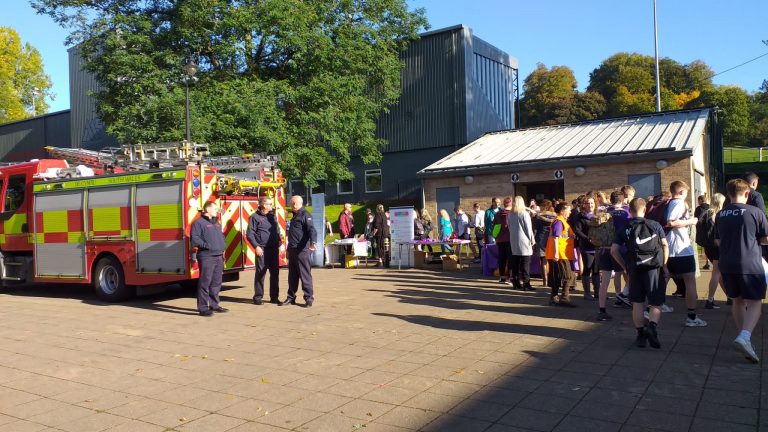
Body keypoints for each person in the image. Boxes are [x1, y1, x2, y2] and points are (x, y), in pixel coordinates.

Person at [716, 179, 768, 363]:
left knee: (737, 301)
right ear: (747, 194)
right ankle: (745, 337)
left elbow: (717, 240)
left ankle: (743, 336)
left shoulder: (720, 214)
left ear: (728, 195)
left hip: (727, 263)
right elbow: (765, 239)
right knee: (754, 302)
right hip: (750, 263)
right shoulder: (756, 212)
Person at [611, 197, 669, 348]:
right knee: (656, 302)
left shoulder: (625, 227)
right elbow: (665, 246)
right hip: (654, 269)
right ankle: (653, 327)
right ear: (645, 209)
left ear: (630, 211)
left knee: (637, 303)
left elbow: (614, 250)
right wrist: (665, 265)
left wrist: (625, 267)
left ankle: (640, 334)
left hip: (634, 269)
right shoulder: (655, 225)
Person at [665, 180, 705, 327]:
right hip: (681, 249)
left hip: (669, 249)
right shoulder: (678, 203)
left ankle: (652, 308)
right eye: (686, 193)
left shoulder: (668, 203)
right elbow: (671, 222)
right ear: (681, 192)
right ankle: (692, 317)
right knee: (690, 281)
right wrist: (691, 221)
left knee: (665, 276)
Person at [191, 201, 228, 316]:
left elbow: (221, 237)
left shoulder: (216, 223)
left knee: (216, 282)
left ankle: (214, 305)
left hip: (218, 256)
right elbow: (195, 239)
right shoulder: (198, 223)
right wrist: (208, 246)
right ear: (207, 209)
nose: (217, 211)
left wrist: (222, 247)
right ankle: (203, 308)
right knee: (205, 282)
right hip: (207, 256)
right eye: (215, 208)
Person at [598, 191, 631, 310]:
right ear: (622, 200)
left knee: (605, 281)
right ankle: (623, 296)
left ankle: (602, 309)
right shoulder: (626, 213)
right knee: (629, 273)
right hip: (620, 249)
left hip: (604, 249)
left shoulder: (603, 212)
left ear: (611, 200)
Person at [247, 197, 281, 305]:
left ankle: (274, 297)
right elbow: (250, 234)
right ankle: (258, 297)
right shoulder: (254, 217)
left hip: (273, 249)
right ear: (264, 205)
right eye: (270, 204)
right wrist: (256, 246)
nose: (272, 206)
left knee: (275, 273)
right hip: (262, 249)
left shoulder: (272, 216)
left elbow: (277, 229)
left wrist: (279, 239)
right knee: (261, 273)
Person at [284, 195, 317, 307]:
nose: (292, 205)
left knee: (304, 275)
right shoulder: (294, 216)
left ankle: (308, 298)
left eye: (295, 203)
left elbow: (312, 229)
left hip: (302, 250)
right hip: (293, 250)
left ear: (300, 203)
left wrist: (313, 242)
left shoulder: (305, 215)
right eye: (291, 203)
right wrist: (288, 250)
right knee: (292, 276)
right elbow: (292, 235)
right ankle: (290, 297)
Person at [698, 193, 725, 309]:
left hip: (708, 246)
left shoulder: (705, 213)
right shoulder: (719, 214)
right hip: (717, 246)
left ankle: (729, 296)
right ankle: (709, 300)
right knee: (716, 273)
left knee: (719, 273)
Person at [546, 203, 575, 306]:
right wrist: (556, 253)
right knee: (568, 276)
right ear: (563, 210)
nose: (570, 212)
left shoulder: (561, 221)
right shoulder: (559, 222)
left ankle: (554, 298)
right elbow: (555, 238)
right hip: (560, 254)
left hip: (562, 253)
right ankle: (564, 298)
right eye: (569, 210)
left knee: (557, 276)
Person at [572, 196, 600, 302]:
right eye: (588, 203)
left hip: (597, 247)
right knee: (587, 270)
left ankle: (597, 292)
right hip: (587, 247)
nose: (590, 205)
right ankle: (587, 293)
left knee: (596, 271)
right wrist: (587, 239)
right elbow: (577, 230)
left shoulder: (598, 216)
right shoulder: (581, 217)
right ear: (584, 205)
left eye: (592, 203)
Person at [508, 196, 535, 291]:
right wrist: (532, 239)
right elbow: (528, 228)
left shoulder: (510, 214)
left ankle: (515, 282)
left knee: (516, 263)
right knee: (525, 263)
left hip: (514, 240)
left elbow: (509, 227)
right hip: (524, 241)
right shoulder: (524, 214)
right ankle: (526, 283)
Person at [534, 200, 556, 287]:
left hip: (540, 238)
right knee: (551, 260)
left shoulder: (538, 216)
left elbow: (536, 229)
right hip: (550, 239)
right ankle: (552, 279)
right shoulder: (555, 216)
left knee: (543, 261)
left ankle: (545, 281)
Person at [493, 198, 512, 283]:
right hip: (510, 238)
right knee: (510, 258)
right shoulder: (512, 214)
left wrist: (496, 237)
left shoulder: (497, 214)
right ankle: (509, 277)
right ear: (510, 204)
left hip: (500, 239)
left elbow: (495, 227)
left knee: (502, 258)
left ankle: (502, 277)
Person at [694, 193, 711, 269]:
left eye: (698, 200)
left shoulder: (698, 208)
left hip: (701, 229)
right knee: (709, 244)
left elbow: (696, 219)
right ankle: (709, 261)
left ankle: (707, 262)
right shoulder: (710, 207)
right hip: (710, 228)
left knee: (704, 245)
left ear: (700, 200)